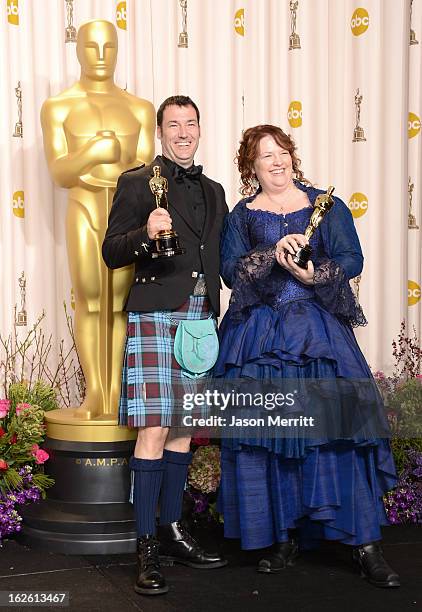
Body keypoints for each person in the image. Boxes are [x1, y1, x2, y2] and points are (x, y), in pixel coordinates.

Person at [215, 124, 400, 588]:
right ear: (250, 167)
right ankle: (282, 538)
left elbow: (351, 258)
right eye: (264, 156)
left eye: (281, 153)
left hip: (317, 335)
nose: (275, 162)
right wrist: (269, 252)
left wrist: (315, 269)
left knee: (338, 434)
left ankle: (365, 546)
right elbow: (229, 271)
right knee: (271, 438)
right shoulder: (242, 215)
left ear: (291, 157)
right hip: (261, 338)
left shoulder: (325, 204)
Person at [102, 96, 228, 595]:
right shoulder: (138, 183)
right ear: (160, 132)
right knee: (153, 430)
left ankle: (174, 529)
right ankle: (146, 545)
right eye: (173, 124)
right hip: (155, 313)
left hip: (200, 318)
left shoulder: (215, 191)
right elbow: (112, 251)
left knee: (182, 431)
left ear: (200, 129)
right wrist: (143, 234)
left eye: (190, 123)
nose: (183, 131)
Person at [41, 19, 155, 419]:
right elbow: (59, 172)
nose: (102, 56)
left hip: (126, 215)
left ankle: (117, 395)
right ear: (78, 50)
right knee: (90, 300)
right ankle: (96, 393)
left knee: (122, 303)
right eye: (92, 47)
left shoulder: (139, 108)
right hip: (85, 207)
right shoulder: (59, 107)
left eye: (109, 47)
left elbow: (144, 173)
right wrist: (94, 152)